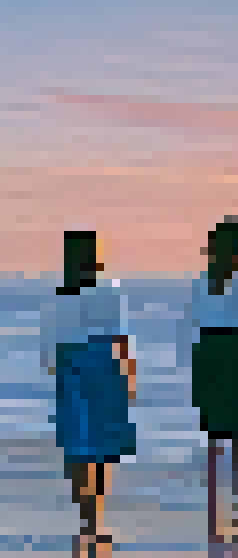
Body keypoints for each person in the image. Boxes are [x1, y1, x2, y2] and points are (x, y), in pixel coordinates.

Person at [43, 230, 136, 541]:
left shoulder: (61, 295)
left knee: (77, 446)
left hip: (73, 369)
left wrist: (55, 371)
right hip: (104, 367)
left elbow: (51, 345)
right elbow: (121, 340)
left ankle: (86, 516)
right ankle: (95, 517)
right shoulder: (109, 291)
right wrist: (128, 379)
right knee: (101, 446)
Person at [188, 216, 238, 543]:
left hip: (208, 352)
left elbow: (196, 322)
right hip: (235, 352)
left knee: (215, 439)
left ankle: (214, 518)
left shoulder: (204, 279)